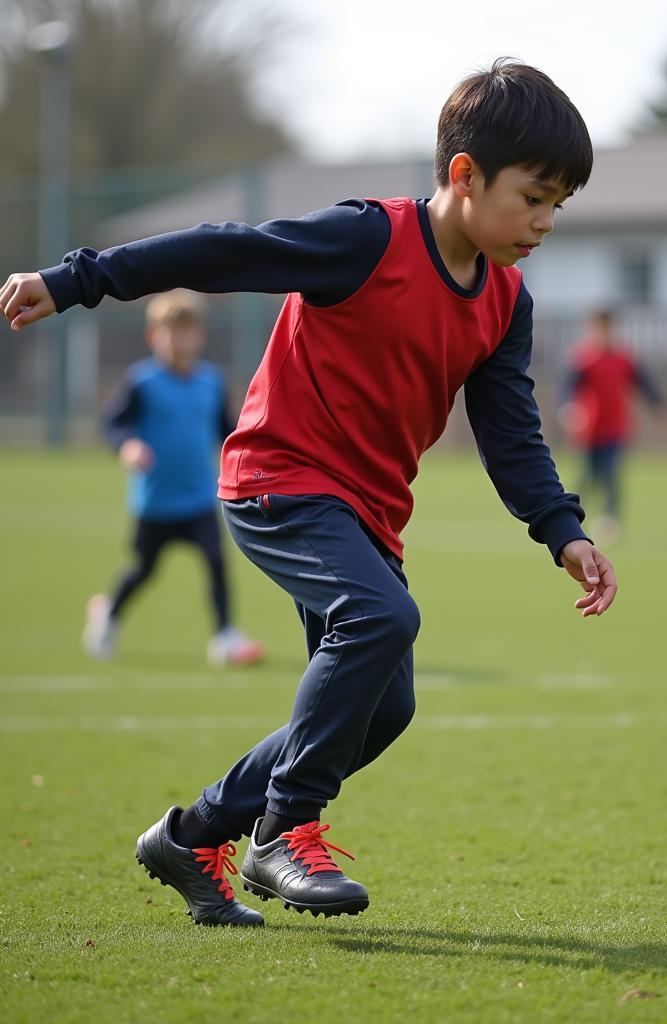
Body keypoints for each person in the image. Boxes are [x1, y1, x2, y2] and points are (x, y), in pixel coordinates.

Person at [2, 59, 616, 927]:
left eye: (561, 204)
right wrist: (76, 279)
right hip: (277, 481)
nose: (547, 222)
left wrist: (563, 530)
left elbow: (510, 431)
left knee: (385, 706)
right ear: (465, 175)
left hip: (367, 517)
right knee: (384, 620)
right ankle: (284, 828)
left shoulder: (505, 301)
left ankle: (194, 832)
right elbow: (224, 250)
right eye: (535, 197)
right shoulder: (368, 239)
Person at [82, 289, 266, 667]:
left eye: (187, 331)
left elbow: (227, 432)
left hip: (199, 497)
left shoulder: (211, 382)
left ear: (200, 336)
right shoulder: (142, 382)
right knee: (143, 569)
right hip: (156, 501)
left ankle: (225, 636)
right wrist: (128, 446)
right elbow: (113, 424)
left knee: (216, 560)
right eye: (172, 332)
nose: (180, 340)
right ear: (154, 336)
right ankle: (107, 615)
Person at [560, 308, 665, 541]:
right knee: (587, 476)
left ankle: (609, 521)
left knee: (611, 475)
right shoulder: (583, 358)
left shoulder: (623, 358)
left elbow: (643, 383)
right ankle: (572, 520)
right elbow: (567, 388)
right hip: (589, 430)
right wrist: (568, 408)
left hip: (615, 428)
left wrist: (659, 406)